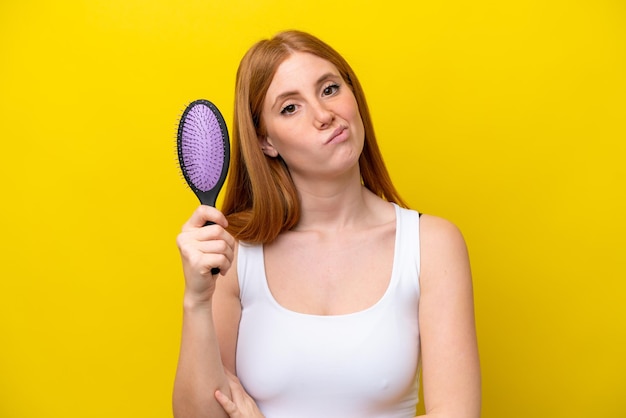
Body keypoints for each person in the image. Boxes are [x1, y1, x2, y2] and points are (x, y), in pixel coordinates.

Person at [173, 30, 481, 418]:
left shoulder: (431, 245)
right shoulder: (234, 253)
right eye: (290, 107)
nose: (324, 115)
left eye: (330, 89)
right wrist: (197, 300)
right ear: (266, 141)